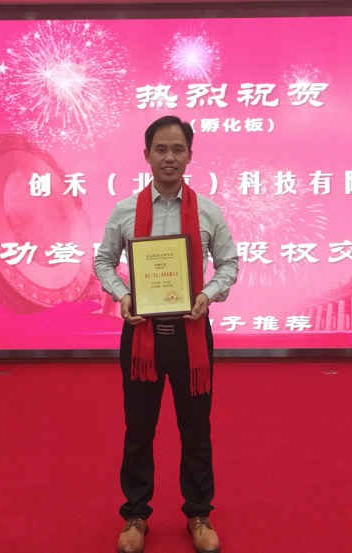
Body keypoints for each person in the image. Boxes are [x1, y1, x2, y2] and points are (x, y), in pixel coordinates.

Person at [94, 115, 238, 553]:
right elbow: (103, 261)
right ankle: (135, 515)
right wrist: (123, 295)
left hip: (191, 337)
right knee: (139, 429)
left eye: (178, 149)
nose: (169, 157)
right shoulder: (125, 210)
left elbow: (229, 264)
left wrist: (208, 294)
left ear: (190, 155)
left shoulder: (208, 211)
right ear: (147, 155)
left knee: (196, 428)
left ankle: (198, 514)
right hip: (142, 337)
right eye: (161, 149)